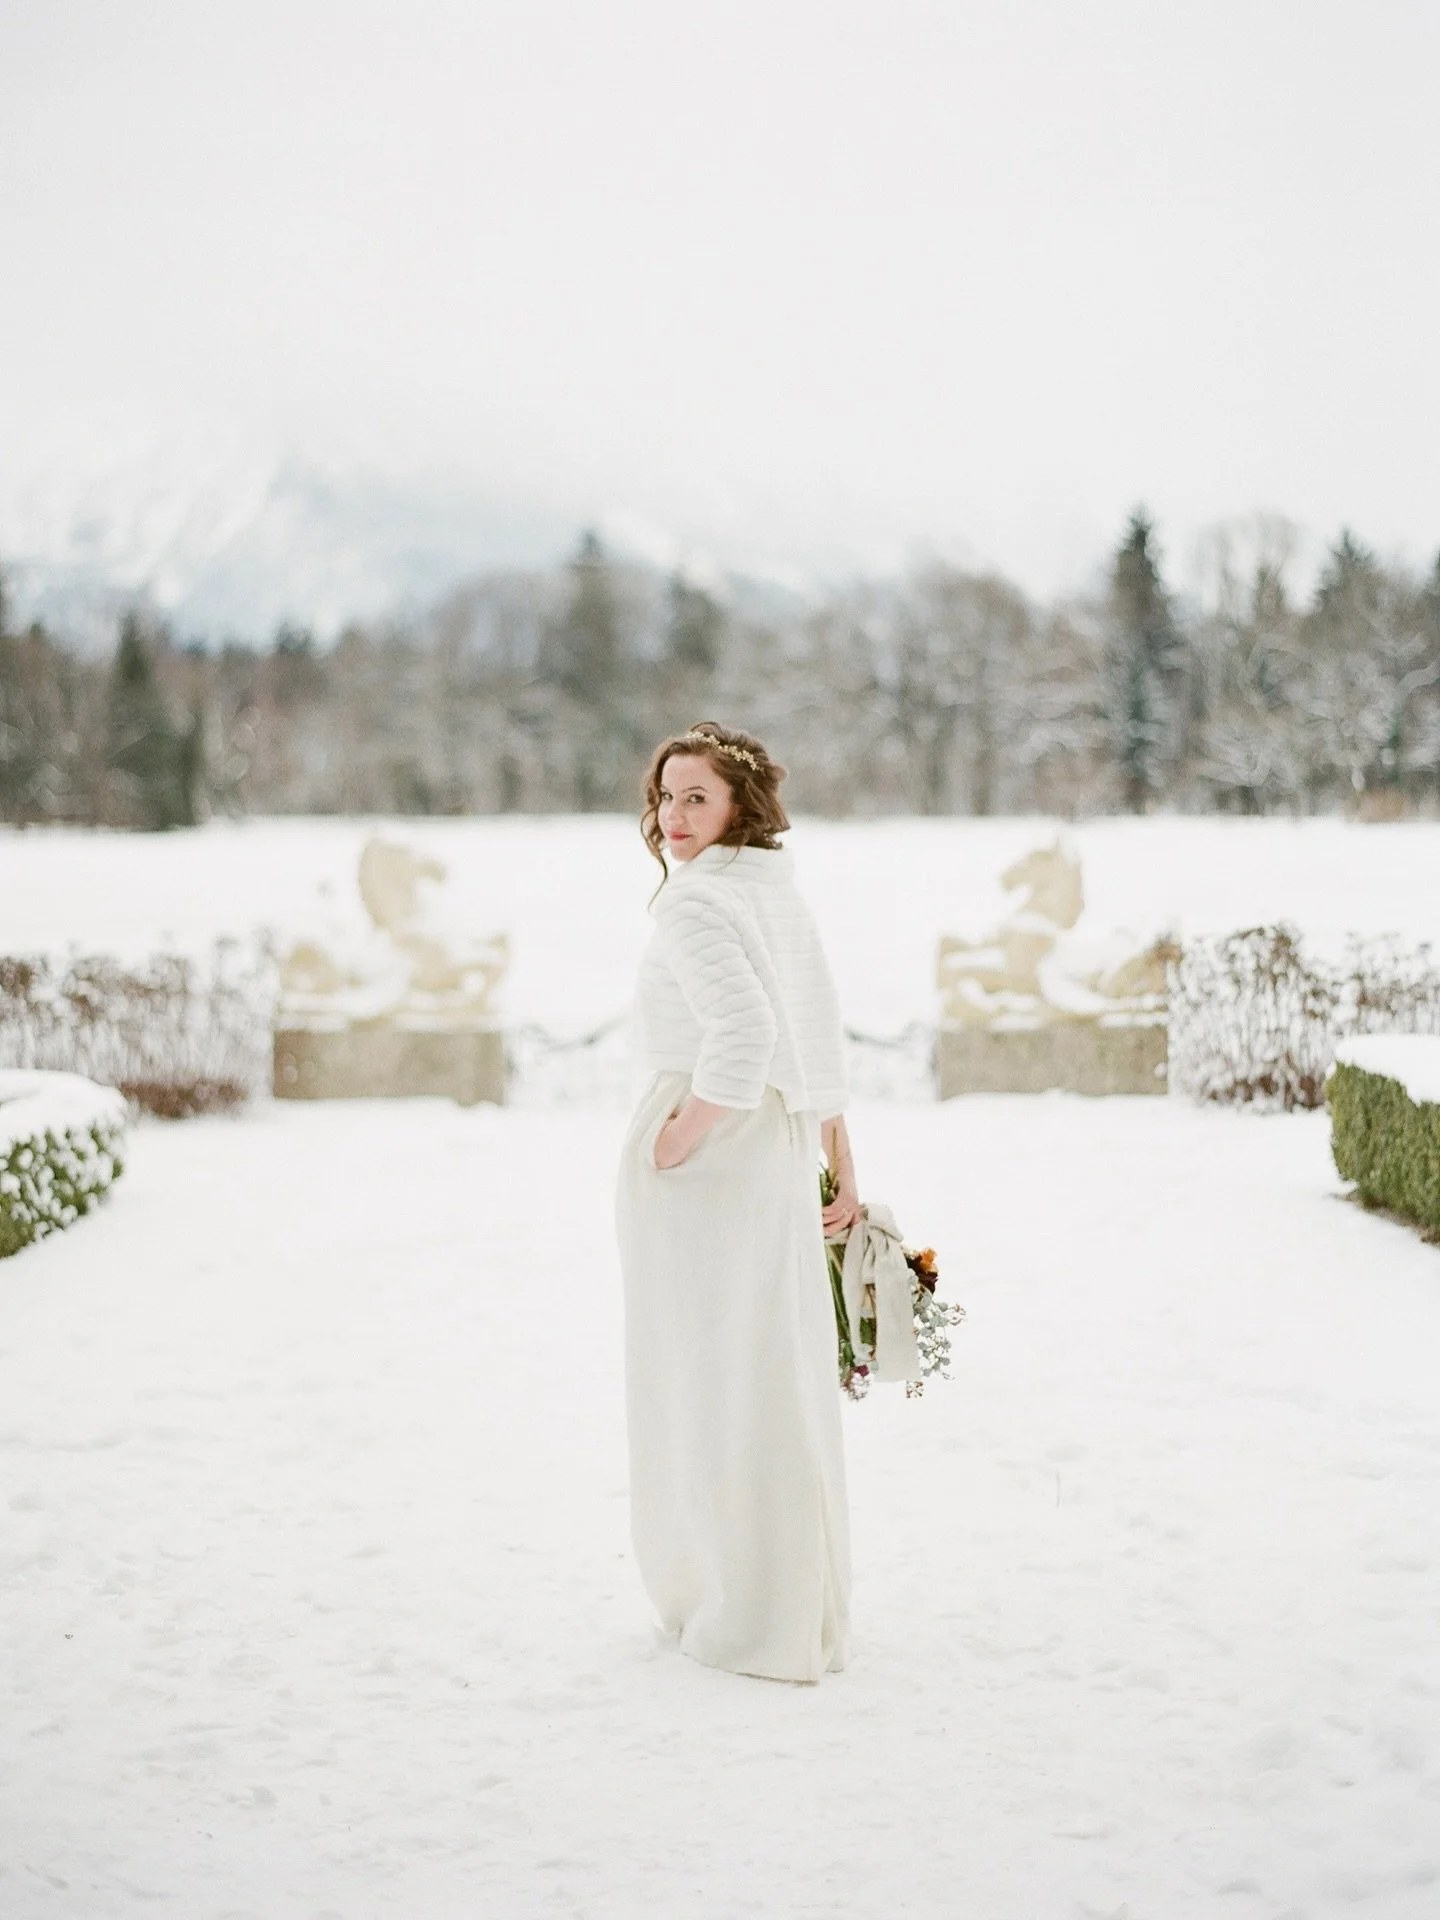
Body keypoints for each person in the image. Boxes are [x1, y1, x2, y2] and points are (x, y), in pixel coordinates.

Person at [614, 721, 860, 1682]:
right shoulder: (773, 891)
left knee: (707, 1377)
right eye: (666, 796)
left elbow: (749, 1035)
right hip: (776, 1147)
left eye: (696, 799)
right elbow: (818, 1029)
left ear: (738, 808)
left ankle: (744, 1609)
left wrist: (677, 1134)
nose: (673, 817)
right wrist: (838, 1151)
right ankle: (788, 1606)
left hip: (716, 1155)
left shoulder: (697, 905)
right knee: (768, 1373)